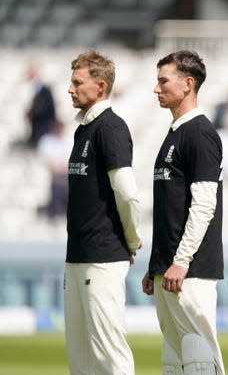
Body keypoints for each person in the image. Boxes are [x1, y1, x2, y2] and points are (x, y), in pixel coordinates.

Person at [141, 50, 225, 375]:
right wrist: (157, 263)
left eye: (163, 80)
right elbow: (170, 208)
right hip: (170, 267)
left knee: (198, 355)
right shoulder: (174, 133)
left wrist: (181, 260)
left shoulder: (200, 134)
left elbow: (204, 203)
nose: (156, 88)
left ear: (187, 84)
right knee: (174, 359)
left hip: (191, 270)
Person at [64, 50, 143, 374]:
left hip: (103, 258)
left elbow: (127, 194)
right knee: (81, 360)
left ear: (99, 86)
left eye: (77, 82)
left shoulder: (110, 128)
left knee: (110, 356)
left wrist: (132, 241)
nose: (70, 89)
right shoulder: (83, 129)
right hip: (77, 257)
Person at [37, 119, 72, 219]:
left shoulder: (68, 142)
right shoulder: (47, 141)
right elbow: (48, 162)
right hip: (54, 177)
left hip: (66, 176)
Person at [25, 63, 57, 148]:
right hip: (36, 131)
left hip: (44, 129)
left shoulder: (45, 91)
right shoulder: (32, 89)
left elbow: (48, 110)